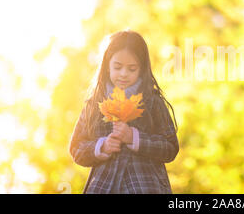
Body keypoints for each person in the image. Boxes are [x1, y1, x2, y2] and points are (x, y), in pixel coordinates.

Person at [69, 30, 179, 194]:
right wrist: (102, 146)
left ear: (141, 69)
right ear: (107, 66)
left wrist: (134, 138)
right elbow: (77, 148)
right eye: (117, 67)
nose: (123, 74)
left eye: (132, 69)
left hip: (144, 186)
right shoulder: (95, 104)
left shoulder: (152, 102)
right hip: (104, 186)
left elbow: (170, 147)